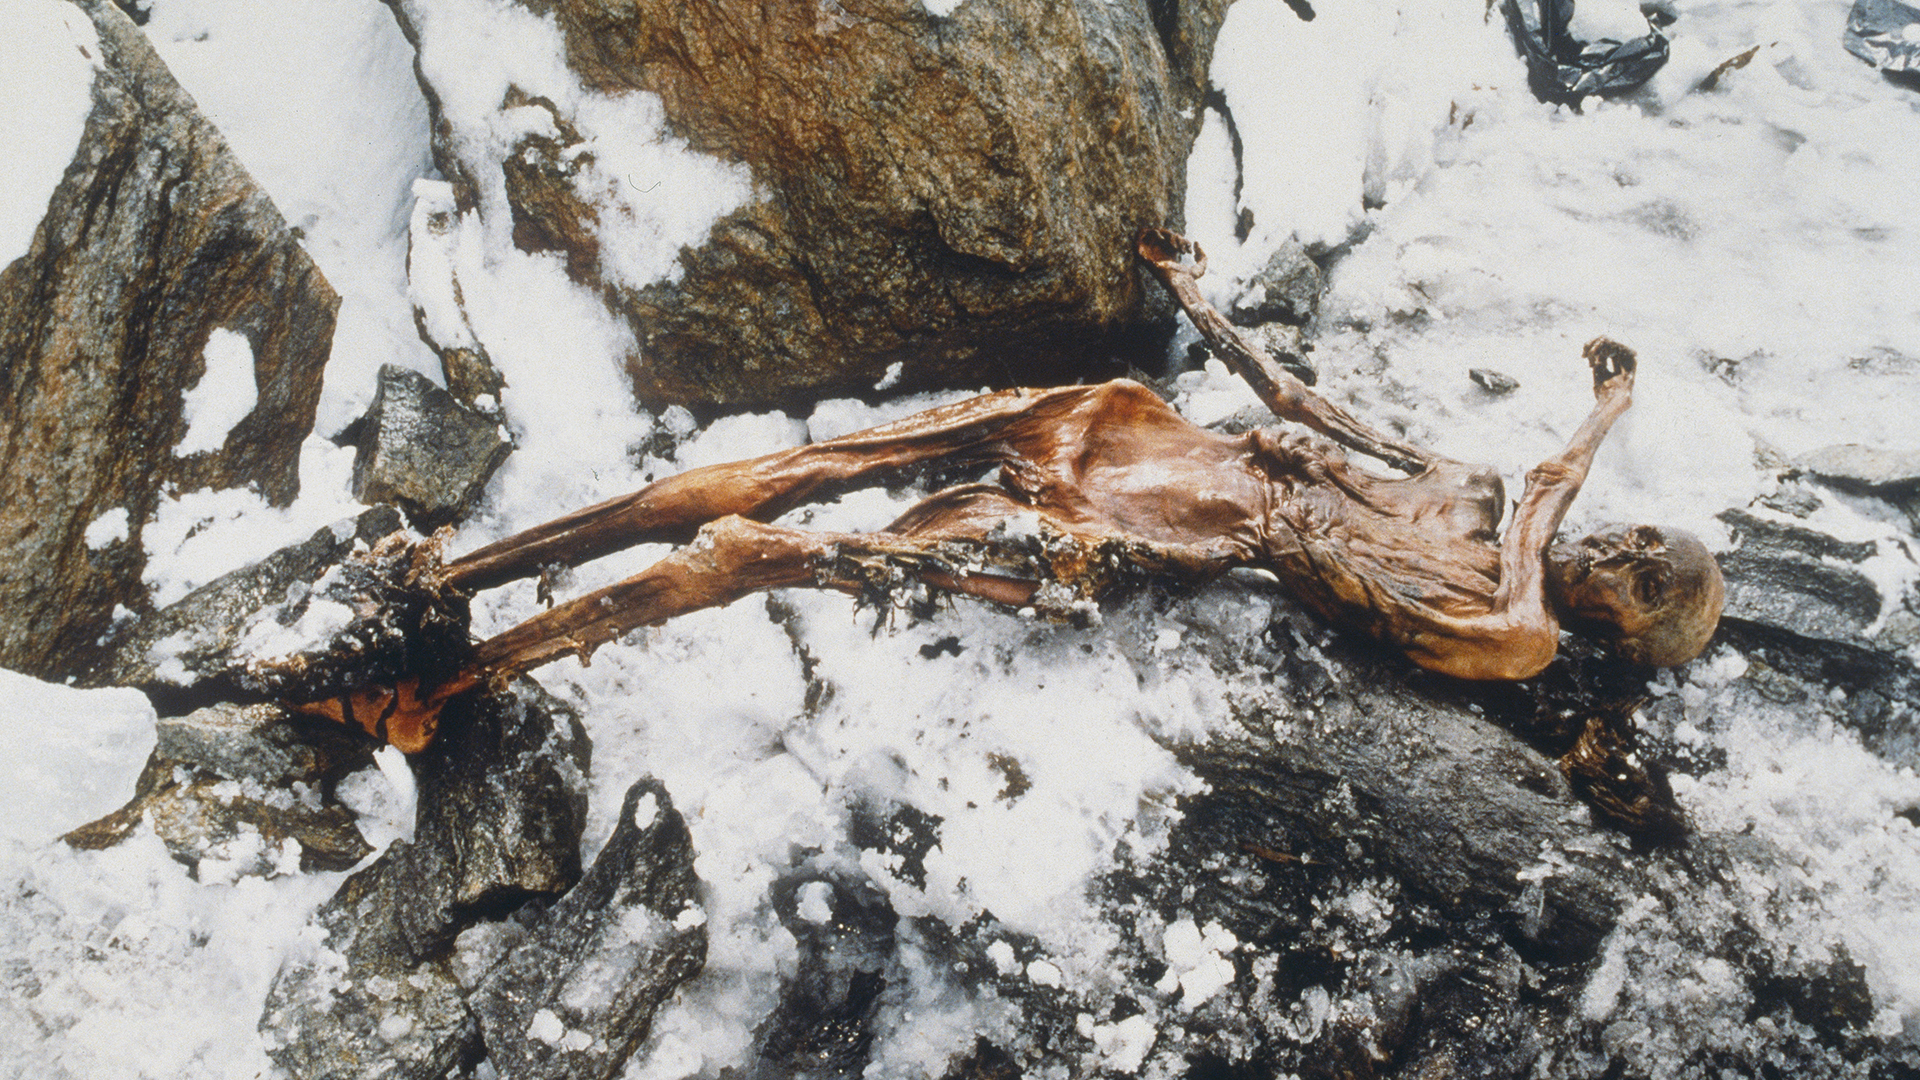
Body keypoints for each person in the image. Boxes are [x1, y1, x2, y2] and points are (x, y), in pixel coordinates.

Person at [305, 229, 1724, 751]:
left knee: (774, 539)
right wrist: (1205, 308)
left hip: (1140, 530)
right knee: (803, 470)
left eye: (1647, 575)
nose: (1628, 544)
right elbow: (1307, 409)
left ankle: (457, 667)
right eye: (1649, 536)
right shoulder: (1488, 503)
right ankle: (443, 589)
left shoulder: (1516, 618)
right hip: (1148, 442)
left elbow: (1391, 556)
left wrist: (1596, 417)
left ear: (1620, 628)